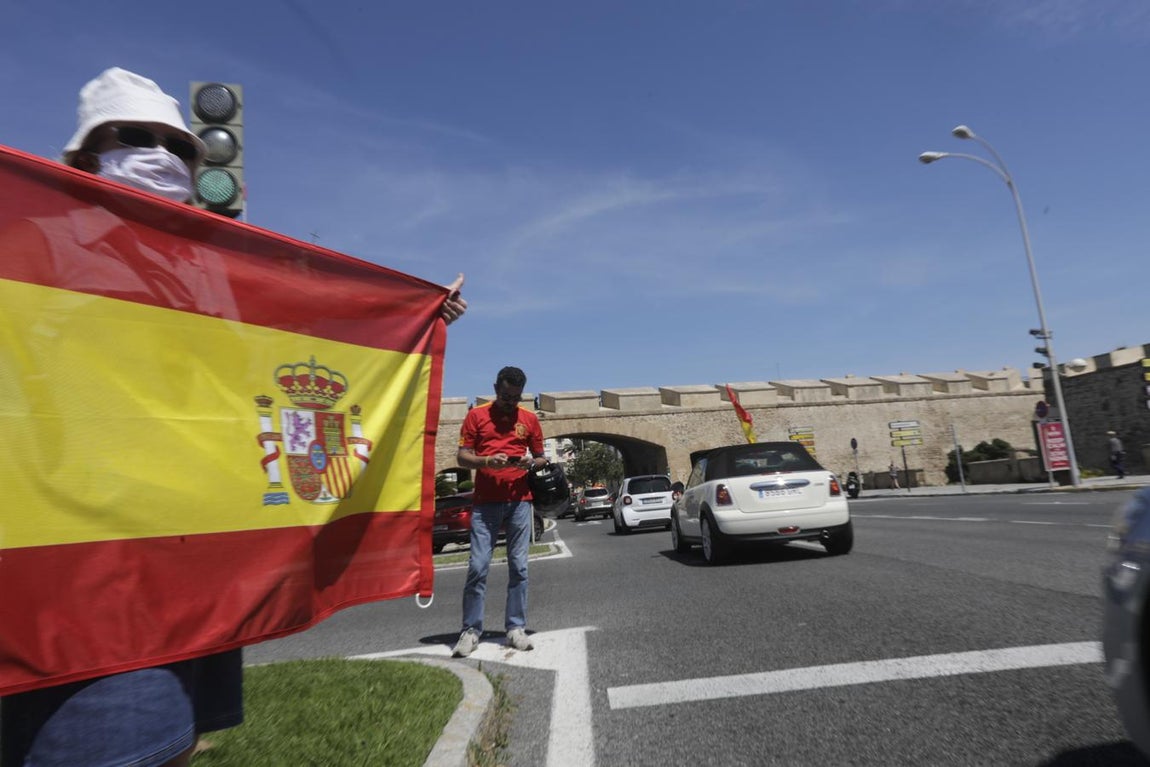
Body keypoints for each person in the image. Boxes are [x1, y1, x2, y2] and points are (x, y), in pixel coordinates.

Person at [2, 67, 467, 767]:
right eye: (130, 135)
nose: (156, 153)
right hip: (91, 566)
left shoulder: (205, 271)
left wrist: (415, 316)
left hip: (196, 563)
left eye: (176, 145)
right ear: (82, 158)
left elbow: (293, 350)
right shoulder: (34, 248)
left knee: (177, 744)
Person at [453, 366, 546, 657]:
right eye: (506, 396)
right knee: (478, 566)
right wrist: (486, 462)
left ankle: (515, 628)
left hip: (520, 500)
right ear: (496, 388)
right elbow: (462, 457)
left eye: (516, 397)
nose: (510, 402)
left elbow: (542, 458)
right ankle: (471, 630)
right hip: (485, 502)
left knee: (519, 566)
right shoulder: (476, 416)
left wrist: (530, 463)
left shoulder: (529, 419)